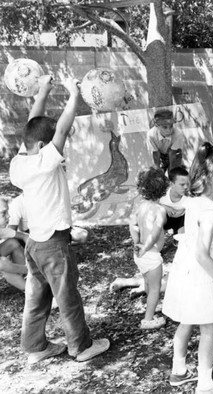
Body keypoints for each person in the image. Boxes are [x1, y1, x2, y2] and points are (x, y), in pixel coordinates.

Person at [9, 75, 109, 364]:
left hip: (34, 245)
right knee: (68, 298)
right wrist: (73, 95)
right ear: (42, 145)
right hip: (53, 244)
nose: (59, 146)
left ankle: (35, 347)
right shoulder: (43, 160)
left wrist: (42, 91)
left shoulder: (21, 161)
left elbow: (33, 121)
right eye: (52, 142)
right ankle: (81, 347)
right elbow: (62, 128)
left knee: (37, 298)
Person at [162, 143, 213, 394]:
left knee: (187, 319)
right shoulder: (209, 211)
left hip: (187, 271)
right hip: (204, 274)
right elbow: (202, 253)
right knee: (209, 328)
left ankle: (179, 371)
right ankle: (205, 386)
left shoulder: (196, 201)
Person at [129, 167, 169, 330]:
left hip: (139, 254)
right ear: (163, 189)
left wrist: (137, 241)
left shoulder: (140, 206)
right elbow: (156, 231)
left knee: (147, 282)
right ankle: (148, 319)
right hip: (150, 254)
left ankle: (149, 304)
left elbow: (132, 223)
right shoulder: (159, 210)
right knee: (155, 288)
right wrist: (145, 247)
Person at [8, 193, 90, 245]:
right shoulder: (17, 203)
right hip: (31, 233)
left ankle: (60, 243)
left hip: (52, 229)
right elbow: (11, 230)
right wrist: (24, 237)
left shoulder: (46, 196)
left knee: (83, 235)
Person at [0, 197, 28, 291]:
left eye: (8, 212)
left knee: (12, 243)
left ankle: (24, 277)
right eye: (3, 213)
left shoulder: (1, 231)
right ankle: (31, 291)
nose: (8, 216)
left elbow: (25, 237)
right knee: (7, 269)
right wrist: (28, 269)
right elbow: (2, 265)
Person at [160, 166, 189, 235]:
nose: (186, 187)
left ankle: (179, 234)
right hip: (166, 219)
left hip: (181, 220)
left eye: (187, 184)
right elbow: (150, 203)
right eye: (182, 184)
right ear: (172, 184)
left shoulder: (189, 195)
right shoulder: (163, 193)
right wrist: (164, 207)